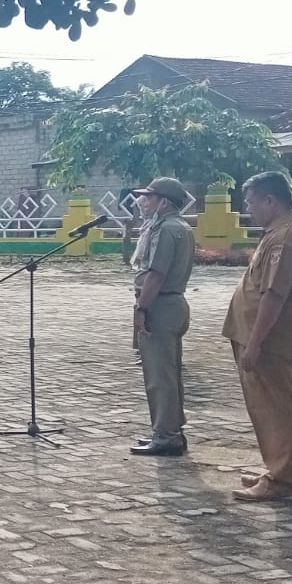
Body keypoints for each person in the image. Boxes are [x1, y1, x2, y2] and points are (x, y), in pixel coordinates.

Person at [224, 171, 292, 502]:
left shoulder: (285, 239)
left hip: (271, 343)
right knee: (272, 407)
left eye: (251, 202)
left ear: (270, 201)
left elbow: (274, 296)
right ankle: (280, 469)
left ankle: (282, 478)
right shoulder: (279, 234)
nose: (248, 209)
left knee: (278, 408)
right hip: (265, 341)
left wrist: (255, 342)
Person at [128, 177, 196, 457]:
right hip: (172, 304)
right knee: (168, 372)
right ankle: (169, 430)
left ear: (164, 202)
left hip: (161, 305)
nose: (144, 202)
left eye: (150, 197)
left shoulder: (167, 229)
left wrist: (141, 309)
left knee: (159, 375)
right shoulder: (180, 227)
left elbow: (156, 275)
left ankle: (167, 435)